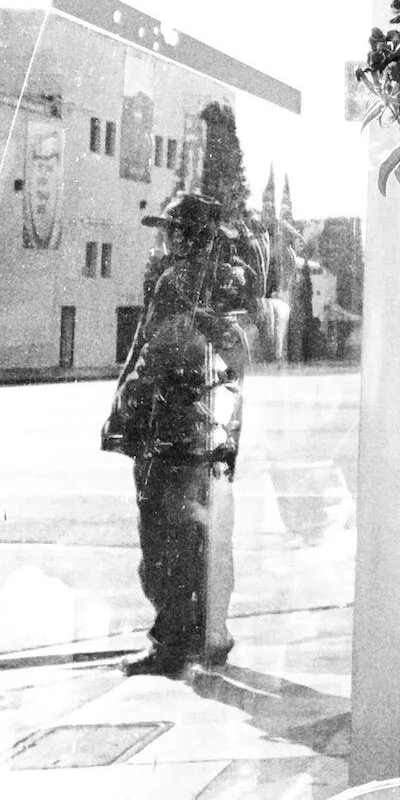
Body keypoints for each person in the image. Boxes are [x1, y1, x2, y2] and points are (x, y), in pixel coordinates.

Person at [100, 191, 261, 678]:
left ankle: (172, 644)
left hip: (168, 432)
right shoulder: (232, 282)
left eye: (172, 231)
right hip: (209, 435)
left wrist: (126, 414)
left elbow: (154, 352)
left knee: (163, 542)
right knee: (203, 538)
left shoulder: (178, 281)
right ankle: (208, 634)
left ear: (188, 236)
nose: (166, 240)